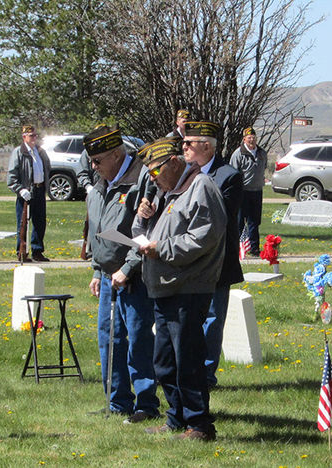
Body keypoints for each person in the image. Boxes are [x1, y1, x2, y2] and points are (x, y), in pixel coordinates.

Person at [134, 132, 227, 441]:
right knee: (164, 362)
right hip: (164, 287)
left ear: (174, 162)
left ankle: (199, 425)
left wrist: (162, 247)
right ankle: (176, 418)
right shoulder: (170, 190)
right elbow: (153, 231)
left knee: (187, 360)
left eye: (156, 170)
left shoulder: (201, 186)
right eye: (149, 173)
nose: (153, 178)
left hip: (188, 287)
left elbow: (205, 236)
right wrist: (143, 219)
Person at [83, 125, 159, 423]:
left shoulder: (141, 180)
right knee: (109, 338)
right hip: (107, 275)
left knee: (139, 338)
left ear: (117, 154)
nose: (93, 166)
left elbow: (144, 232)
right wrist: (96, 270)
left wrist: (127, 269)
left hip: (135, 277)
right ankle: (117, 402)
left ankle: (146, 404)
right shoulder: (101, 182)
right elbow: (97, 231)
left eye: (98, 160)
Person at [182, 120, 244, 388]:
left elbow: (220, 219)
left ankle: (205, 374)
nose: (183, 147)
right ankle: (186, 369)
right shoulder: (184, 172)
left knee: (212, 318)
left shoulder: (228, 175)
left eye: (189, 144)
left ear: (206, 147)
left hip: (216, 260)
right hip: (186, 258)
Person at [7, 125, 51, 262]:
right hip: (26, 192)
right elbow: (12, 176)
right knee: (23, 223)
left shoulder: (40, 151)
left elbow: (46, 168)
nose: (34, 138)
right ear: (24, 137)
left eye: (35, 135)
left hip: (39, 190)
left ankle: (37, 251)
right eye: (31, 135)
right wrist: (20, 189)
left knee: (39, 222)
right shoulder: (19, 152)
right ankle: (21, 251)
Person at [230, 127, 267, 256]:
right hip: (243, 192)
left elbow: (264, 168)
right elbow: (233, 173)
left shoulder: (262, 153)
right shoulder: (238, 154)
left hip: (257, 191)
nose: (252, 140)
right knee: (239, 221)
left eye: (254, 137)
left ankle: (254, 248)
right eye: (249, 137)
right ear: (244, 139)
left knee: (254, 221)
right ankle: (236, 248)